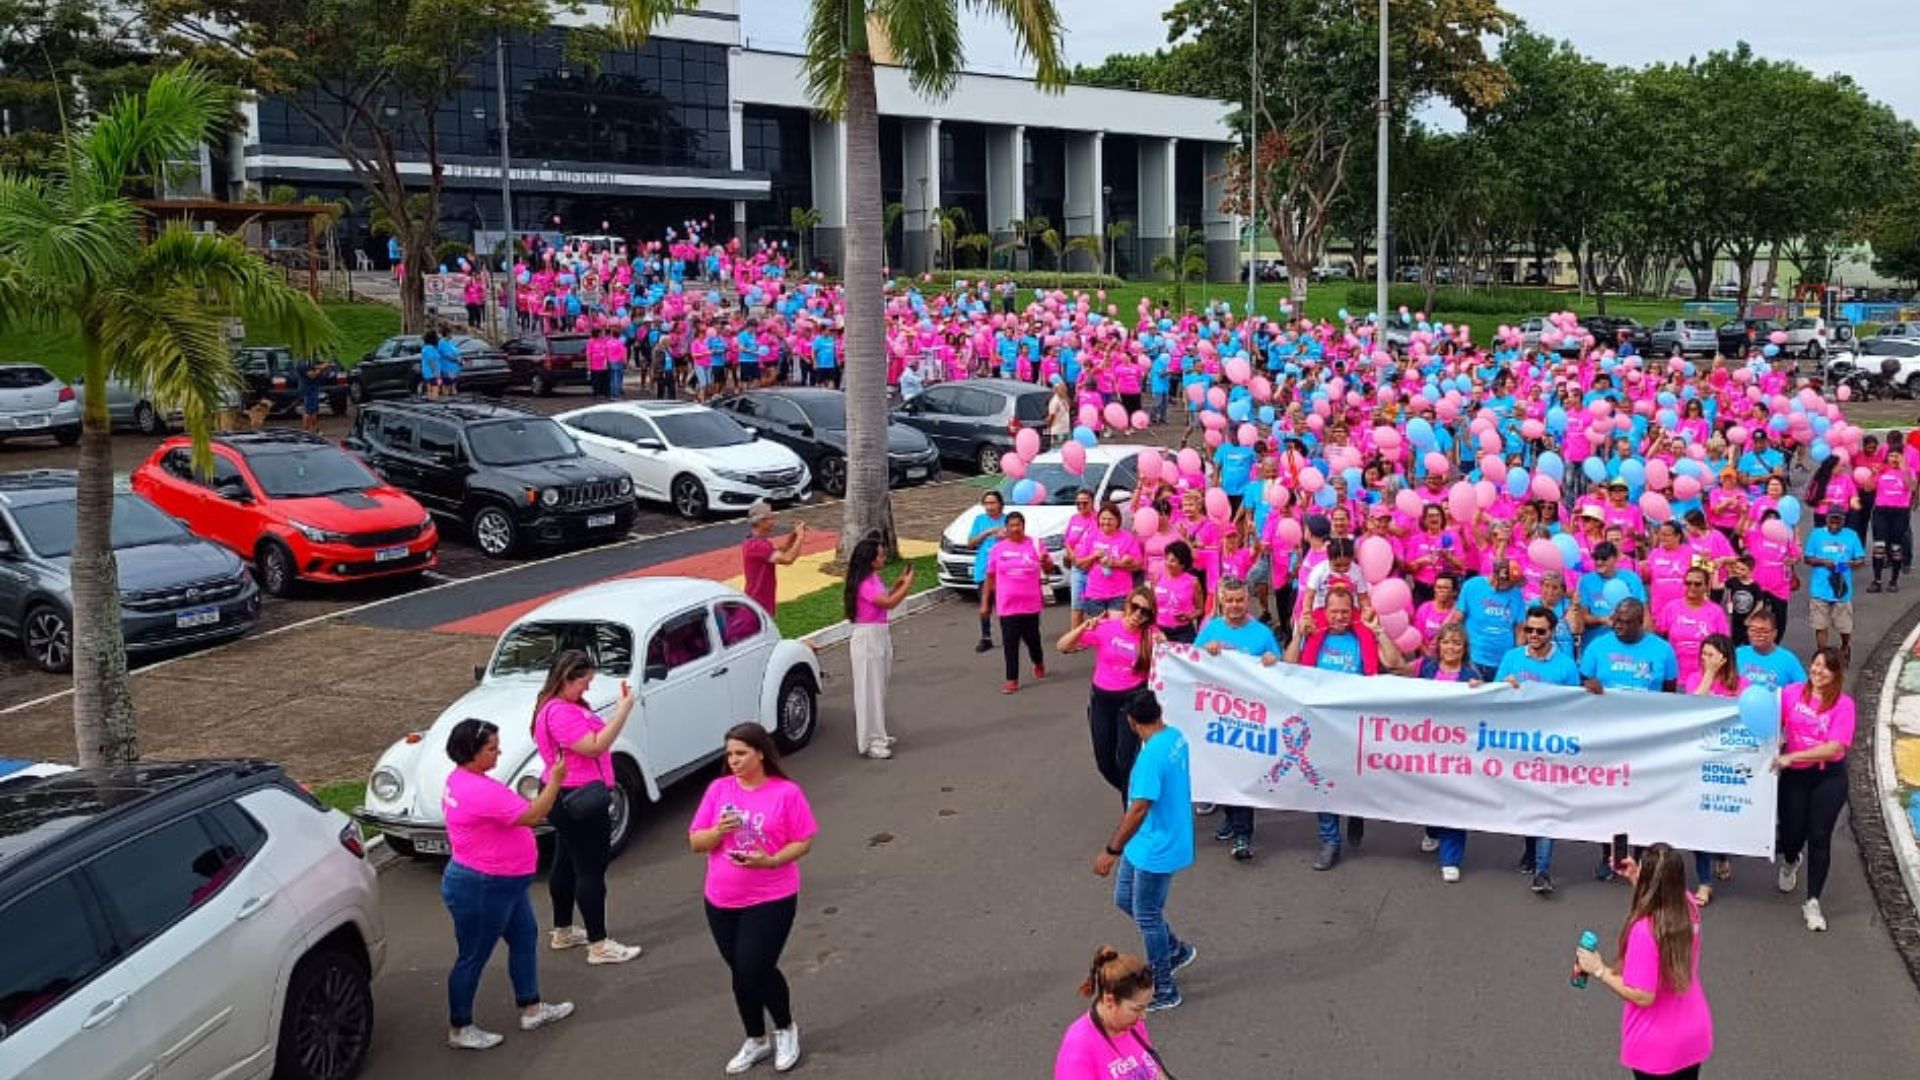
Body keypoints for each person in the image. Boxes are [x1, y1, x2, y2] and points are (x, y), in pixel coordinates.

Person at [688, 723, 817, 1074]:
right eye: (729, 754)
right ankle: (755, 1039)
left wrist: (771, 860)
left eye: (741, 753)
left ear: (760, 753)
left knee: (753, 967)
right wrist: (719, 831)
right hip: (720, 900)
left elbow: (803, 840)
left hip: (772, 897)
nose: (734, 761)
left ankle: (785, 1028)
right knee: (741, 973)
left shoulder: (786, 793)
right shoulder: (718, 790)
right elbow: (696, 842)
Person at [440, 719, 576, 1050]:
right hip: (483, 886)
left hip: (503, 885)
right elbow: (534, 815)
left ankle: (531, 1007)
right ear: (471, 753)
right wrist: (555, 780)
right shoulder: (479, 790)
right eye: (491, 748)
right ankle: (460, 1027)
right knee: (472, 956)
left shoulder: (461, 779)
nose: (498, 751)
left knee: (525, 936)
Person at [532, 650, 643, 965]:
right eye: (584, 681)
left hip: (566, 793)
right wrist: (623, 710)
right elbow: (593, 745)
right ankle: (599, 943)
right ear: (567, 678)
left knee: (566, 860)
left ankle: (564, 930)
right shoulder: (560, 713)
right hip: (580, 796)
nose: (588, 688)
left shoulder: (553, 707)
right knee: (591, 868)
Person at [1283, 587, 1404, 870]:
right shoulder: (1313, 634)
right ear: (1325, 611)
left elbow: (1396, 663)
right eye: (1334, 611)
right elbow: (1287, 668)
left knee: (1355, 780)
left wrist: (1378, 632)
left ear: (1353, 612)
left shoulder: (1362, 636)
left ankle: (1356, 812)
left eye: (1345, 612)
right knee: (1323, 783)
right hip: (1320, 724)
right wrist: (1298, 635)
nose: (1339, 617)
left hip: (1355, 724)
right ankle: (1330, 841)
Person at [1573, 843, 1715, 1080]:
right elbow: (1663, 896)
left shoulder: (1645, 931)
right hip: (1693, 1034)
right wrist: (1637, 877)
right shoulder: (1688, 906)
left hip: (1656, 1047)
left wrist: (1599, 970)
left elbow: (1643, 995)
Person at [1091, 692, 1195, 1012]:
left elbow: (1138, 809)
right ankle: (1175, 950)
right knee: (1125, 900)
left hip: (1156, 848)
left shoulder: (1151, 758)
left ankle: (1164, 987)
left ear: (1132, 722)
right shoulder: (1175, 736)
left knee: (1147, 915)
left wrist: (1111, 850)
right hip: (1147, 843)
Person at [1495, 605, 1582, 895]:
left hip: (1552, 746)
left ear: (1552, 632)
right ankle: (1530, 849)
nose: (1533, 635)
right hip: (1518, 746)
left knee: (1547, 806)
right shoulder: (1511, 658)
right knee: (1526, 803)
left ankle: (1543, 870)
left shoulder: (1566, 666)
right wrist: (1504, 687)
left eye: (1540, 631)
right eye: (1528, 630)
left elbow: (1574, 709)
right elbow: (1492, 699)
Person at [1193, 576, 1281, 862]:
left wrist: (1271, 661)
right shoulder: (1211, 630)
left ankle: (1244, 834)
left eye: (1240, 600)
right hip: (1217, 717)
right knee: (1222, 773)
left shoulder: (1262, 633)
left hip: (1249, 719)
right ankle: (1231, 818)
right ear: (1221, 601)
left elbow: (1281, 671)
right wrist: (1206, 653)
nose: (1234, 606)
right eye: (1229, 601)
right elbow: (1190, 664)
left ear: (1248, 600)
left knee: (1242, 774)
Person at [1775, 646, 1856, 933]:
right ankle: (1790, 859)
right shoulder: (1791, 693)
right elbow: (1772, 722)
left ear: (1836, 674)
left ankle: (1812, 902)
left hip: (1827, 777)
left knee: (1820, 836)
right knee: (1792, 833)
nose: (1818, 671)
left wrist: (1791, 756)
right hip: (1795, 777)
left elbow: (1835, 747)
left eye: (1826, 668)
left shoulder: (1844, 704)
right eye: (1815, 665)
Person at [1059, 586, 1164, 798]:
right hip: (1102, 702)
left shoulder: (1152, 636)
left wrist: (1165, 643)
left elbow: (1174, 662)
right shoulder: (1107, 627)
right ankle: (1136, 795)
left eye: (1145, 612)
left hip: (1130, 703)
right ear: (1127, 605)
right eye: (1135, 608)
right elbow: (1063, 646)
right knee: (1105, 763)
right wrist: (1083, 627)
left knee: (1126, 763)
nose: (1138, 615)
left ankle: (1132, 811)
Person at [845, 533, 914, 759]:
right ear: (871, 559)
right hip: (867, 638)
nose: (884, 558)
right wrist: (908, 586)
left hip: (879, 634)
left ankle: (879, 733)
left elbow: (886, 598)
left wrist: (898, 584)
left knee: (879, 688)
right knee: (869, 690)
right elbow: (890, 602)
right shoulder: (864, 582)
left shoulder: (873, 578)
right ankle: (871, 741)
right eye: (881, 555)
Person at [1054, 948, 1172, 1080]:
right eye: (1137, 1009)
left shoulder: (1133, 1025)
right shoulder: (1078, 1048)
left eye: (1146, 1006)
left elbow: (1155, 1071)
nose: (1143, 1016)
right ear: (1109, 1000)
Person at [1416, 623, 1474, 882]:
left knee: (1454, 800)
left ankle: (1451, 858)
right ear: (1438, 645)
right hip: (1426, 745)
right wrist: (1380, 632)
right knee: (1429, 795)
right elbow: (1394, 665)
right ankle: (1433, 830)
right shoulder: (1425, 668)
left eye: (1457, 643)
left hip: (1457, 750)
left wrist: (1483, 689)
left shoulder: (1471, 675)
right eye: (1447, 642)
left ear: (1464, 649)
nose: (1451, 647)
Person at [1689, 634, 1742, 906]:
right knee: (1702, 823)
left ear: (1725, 658)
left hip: (1730, 764)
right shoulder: (1694, 679)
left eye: (1711, 655)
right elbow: (1692, 708)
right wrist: (1708, 675)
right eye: (1703, 654)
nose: (1705, 659)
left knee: (1721, 819)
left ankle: (1722, 854)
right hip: (1700, 762)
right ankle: (1704, 882)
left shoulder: (1741, 686)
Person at [980, 510, 1055, 693]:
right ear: (1006, 528)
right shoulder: (998, 549)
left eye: (1018, 525)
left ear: (1024, 526)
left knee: (1033, 641)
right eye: (1012, 526)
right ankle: (1011, 679)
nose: (1015, 529)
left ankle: (1038, 662)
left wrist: (1045, 562)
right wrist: (985, 603)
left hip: (1030, 604)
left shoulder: (1035, 545)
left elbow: (1050, 569)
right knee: (1010, 643)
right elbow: (990, 577)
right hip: (1007, 605)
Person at [1803, 506, 1866, 662]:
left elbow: (1860, 560)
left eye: (1838, 519)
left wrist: (1844, 565)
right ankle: (1823, 654)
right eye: (1832, 518)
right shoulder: (1816, 535)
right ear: (1827, 518)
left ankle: (1845, 646)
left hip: (1841, 590)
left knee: (1844, 625)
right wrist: (1824, 562)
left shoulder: (1851, 536)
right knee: (1820, 624)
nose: (1835, 522)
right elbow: (1807, 558)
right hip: (1820, 588)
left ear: (1844, 520)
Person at [1580, 600, 1679, 695]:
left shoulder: (1663, 649)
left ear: (1640, 622)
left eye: (1625, 622)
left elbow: (1670, 693)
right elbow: (1583, 683)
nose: (1618, 626)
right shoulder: (1597, 646)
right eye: (1616, 620)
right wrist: (1589, 685)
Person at [1458, 557, 1526, 681]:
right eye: (1510, 583)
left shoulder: (1517, 594)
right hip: (1474, 656)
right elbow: (1458, 617)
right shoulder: (1472, 586)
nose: (1513, 586)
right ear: (1496, 578)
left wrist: (1518, 656)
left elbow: (1519, 628)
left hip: (1503, 659)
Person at [742, 503, 807, 615]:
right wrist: (801, 537)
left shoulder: (756, 542)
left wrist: (793, 536)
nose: (774, 522)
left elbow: (781, 551)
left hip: (760, 601)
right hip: (759, 603)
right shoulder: (758, 546)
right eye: (771, 518)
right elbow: (788, 559)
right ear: (761, 521)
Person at [967, 491, 1010, 652]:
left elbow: (1018, 539)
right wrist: (986, 533)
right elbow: (970, 543)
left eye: (993, 503)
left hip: (1004, 570)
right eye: (986, 503)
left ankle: (1009, 635)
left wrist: (1004, 537)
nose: (989, 506)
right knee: (985, 606)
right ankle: (986, 637)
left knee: (1004, 605)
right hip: (984, 570)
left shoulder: (1008, 520)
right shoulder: (979, 520)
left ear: (1000, 504)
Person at [1734, 608, 1806, 691]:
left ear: (1774, 633)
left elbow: (1804, 688)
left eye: (1763, 631)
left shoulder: (1788, 659)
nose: (1757, 635)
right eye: (1753, 630)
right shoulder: (1738, 654)